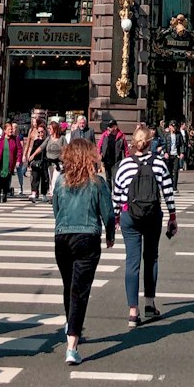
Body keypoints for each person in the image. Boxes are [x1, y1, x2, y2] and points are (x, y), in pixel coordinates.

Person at [53, 137, 115, 366]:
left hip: (62, 237)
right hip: (87, 237)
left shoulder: (60, 181)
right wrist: (110, 234)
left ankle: (71, 324)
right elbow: (107, 213)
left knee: (69, 286)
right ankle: (72, 346)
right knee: (80, 291)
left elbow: (56, 210)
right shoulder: (97, 183)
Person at [112, 124, 177, 328]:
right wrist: (172, 217)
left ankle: (133, 312)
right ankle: (149, 304)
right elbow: (167, 191)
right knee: (151, 258)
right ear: (149, 143)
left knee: (132, 262)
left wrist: (115, 219)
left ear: (134, 144)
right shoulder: (159, 163)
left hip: (129, 216)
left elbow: (116, 195)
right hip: (152, 215)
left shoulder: (124, 165)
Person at [97, 119, 127, 188]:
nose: (108, 128)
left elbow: (126, 149)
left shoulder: (121, 136)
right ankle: (109, 194)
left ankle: (116, 193)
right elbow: (99, 145)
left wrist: (127, 159)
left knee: (116, 178)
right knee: (108, 178)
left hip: (117, 161)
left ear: (115, 127)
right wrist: (99, 154)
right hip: (107, 160)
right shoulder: (105, 135)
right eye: (108, 127)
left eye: (110, 127)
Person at [26, 122, 50, 203]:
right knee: (35, 178)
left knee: (44, 179)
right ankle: (34, 193)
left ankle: (44, 195)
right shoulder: (36, 141)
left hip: (45, 162)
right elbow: (32, 151)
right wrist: (30, 162)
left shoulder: (48, 141)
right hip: (36, 162)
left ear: (45, 131)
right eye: (39, 132)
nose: (40, 134)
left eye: (42, 132)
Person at [161, 121, 185, 191]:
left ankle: (174, 187)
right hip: (169, 155)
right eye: (172, 126)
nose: (174, 128)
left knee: (176, 171)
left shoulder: (178, 134)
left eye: (175, 126)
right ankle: (170, 185)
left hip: (176, 155)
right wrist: (165, 152)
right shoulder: (166, 135)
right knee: (169, 171)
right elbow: (164, 144)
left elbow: (182, 144)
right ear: (169, 127)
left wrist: (182, 152)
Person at [45, 120, 65, 190]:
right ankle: (52, 195)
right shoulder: (48, 138)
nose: (48, 130)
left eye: (50, 129)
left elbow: (67, 149)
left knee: (55, 180)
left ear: (55, 129)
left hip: (58, 163)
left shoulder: (62, 138)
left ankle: (54, 197)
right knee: (51, 180)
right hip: (50, 162)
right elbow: (41, 147)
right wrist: (33, 155)